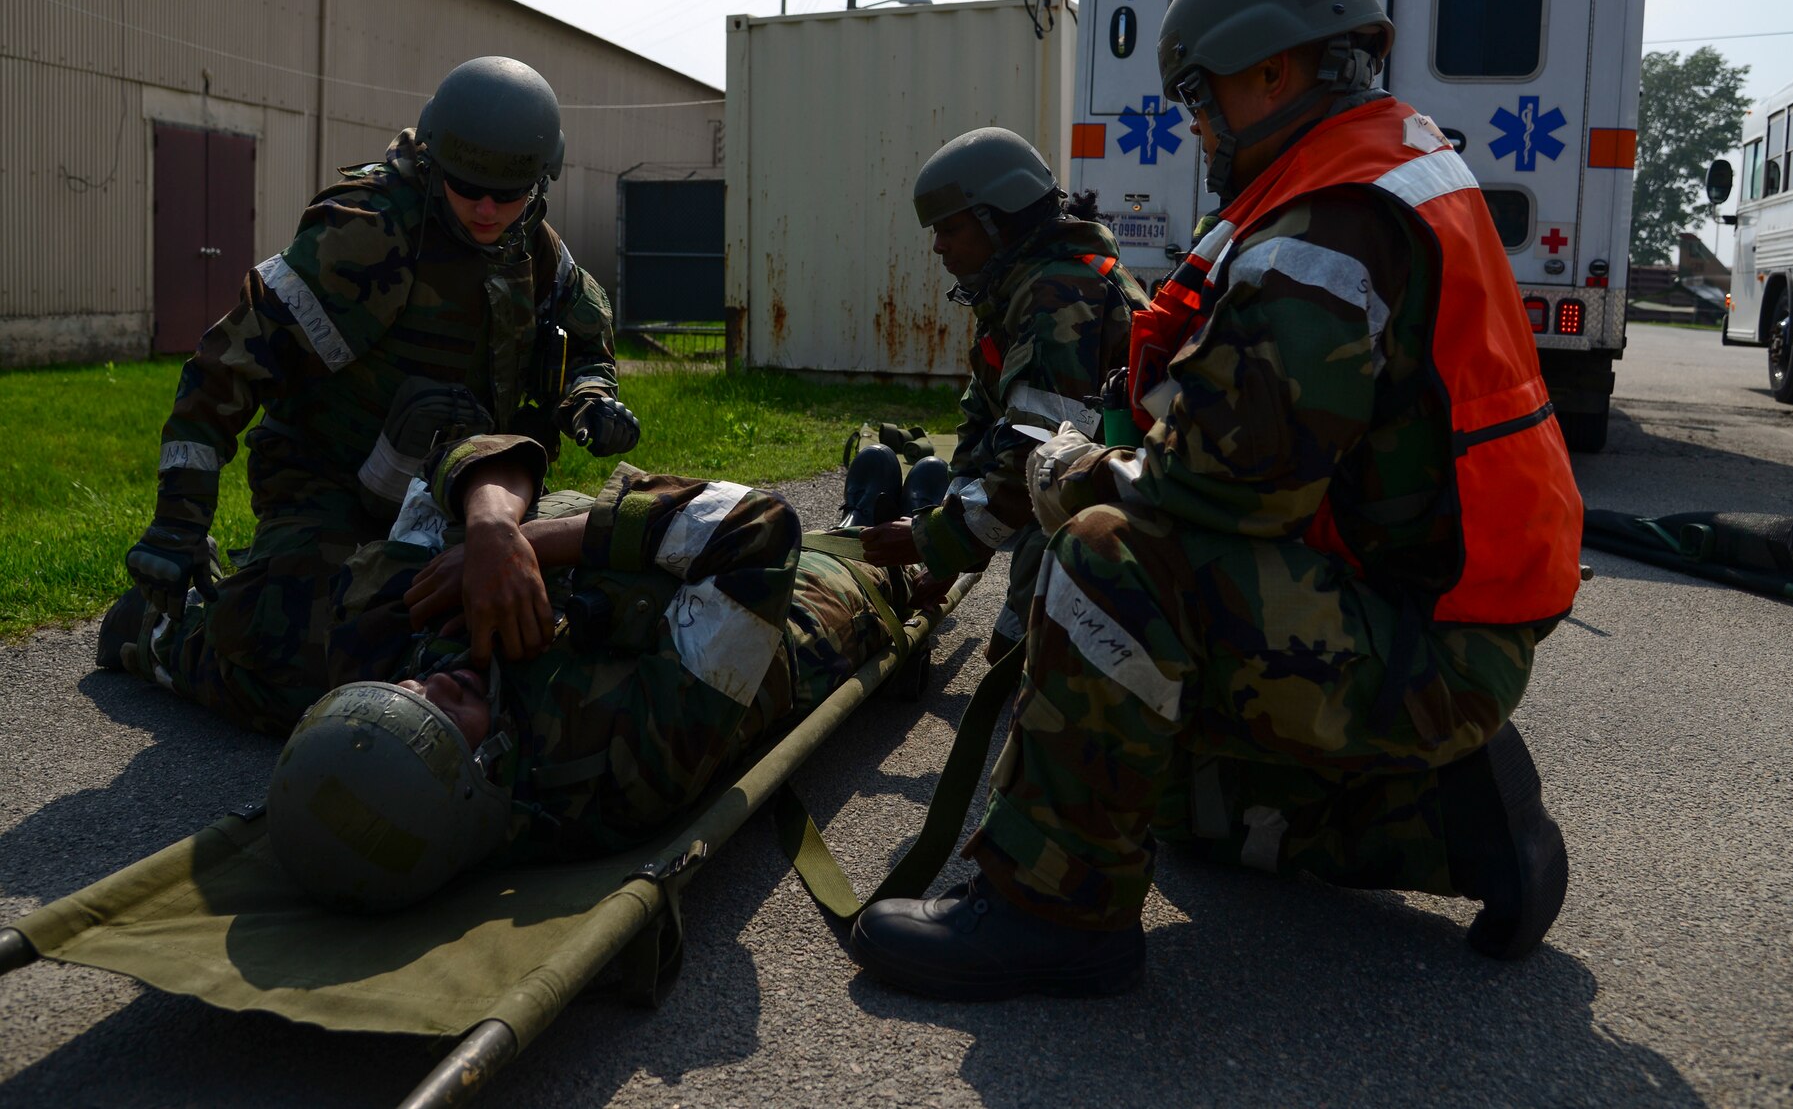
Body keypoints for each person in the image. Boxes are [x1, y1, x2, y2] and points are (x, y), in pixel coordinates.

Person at [850, 0, 1585, 999]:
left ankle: (1051, 911)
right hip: (1417, 613)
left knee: (1108, 559)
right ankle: (1449, 827)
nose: (1193, 124)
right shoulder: (1364, 173)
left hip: (1420, 644)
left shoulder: (1328, 224)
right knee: (1158, 789)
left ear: (1271, 73)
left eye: (1198, 96)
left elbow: (1233, 486)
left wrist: (1075, 482)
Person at [103, 57, 639, 731]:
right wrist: (179, 522)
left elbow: (587, 337)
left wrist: (591, 397)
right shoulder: (366, 233)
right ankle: (163, 630)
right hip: (332, 495)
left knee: (531, 628)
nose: (485, 208)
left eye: (507, 193)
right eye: (468, 186)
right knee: (320, 679)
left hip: (469, 496)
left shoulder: (533, 246)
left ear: (538, 182)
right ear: (437, 161)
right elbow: (226, 364)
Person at [260, 434, 927, 908]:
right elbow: (758, 528)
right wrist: (531, 543)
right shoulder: (623, 766)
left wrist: (491, 528)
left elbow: (459, 456)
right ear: (481, 780)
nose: (424, 685)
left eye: (400, 694)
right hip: (798, 614)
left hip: (660, 566)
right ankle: (907, 534)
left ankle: (870, 515)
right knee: (876, 565)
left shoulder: (404, 662)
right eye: (437, 725)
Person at [856, 128, 1146, 661]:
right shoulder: (1020, 290)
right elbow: (984, 424)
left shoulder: (1059, 298)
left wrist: (936, 540)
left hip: (1113, 520)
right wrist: (950, 547)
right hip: (1078, 495)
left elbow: (1033, 456)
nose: (939, 245)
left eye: (950, 227)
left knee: (1018, 664)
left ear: (998, 220)